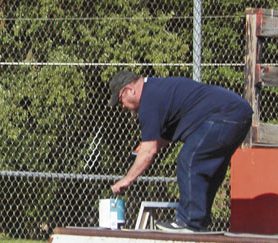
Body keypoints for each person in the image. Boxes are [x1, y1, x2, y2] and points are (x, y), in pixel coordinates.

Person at [108, 70, 252, 232]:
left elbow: (149, 151)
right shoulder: (156, 91)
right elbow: (160, 140)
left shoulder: (149, 102)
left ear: (129, 90)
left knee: (189, 158)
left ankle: (189, 222)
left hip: (227, 115)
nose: (122, 106)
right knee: (210, 171)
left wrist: (127, 179)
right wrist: (141, 152)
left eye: (120, 100)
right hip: (237, 114)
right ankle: (199, 223)